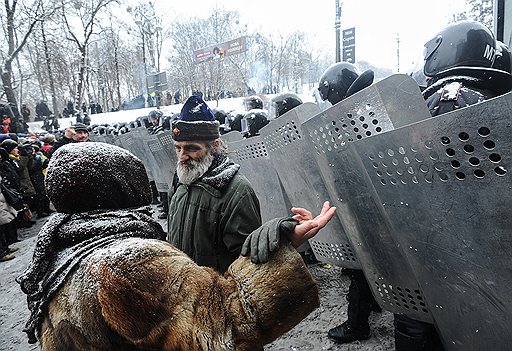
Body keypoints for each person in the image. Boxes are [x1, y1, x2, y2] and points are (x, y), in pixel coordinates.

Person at [17, 141, 336, 350]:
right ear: (121, 188)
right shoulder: (129, 261)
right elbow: (228, 322)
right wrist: (284, 246)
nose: (182, 155)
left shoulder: (59, 253)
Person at [394, 21, 512, 351]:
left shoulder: (436, 101)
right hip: (489, 260)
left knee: (417, 317)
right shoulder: (488, 100)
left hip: (429, 246)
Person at [316, 61, 381, 344]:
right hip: (376, 206)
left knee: (360, 267)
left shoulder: (350, 122)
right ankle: (376, 301)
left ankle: (357, 324)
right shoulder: (365, 114)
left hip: (364, 206)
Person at [167, 95, 262, 274]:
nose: (182, 156)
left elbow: (247, 262)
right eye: (178, 148)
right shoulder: (180, 180)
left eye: (191, 148)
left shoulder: (237, 191)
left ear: (214, 146)